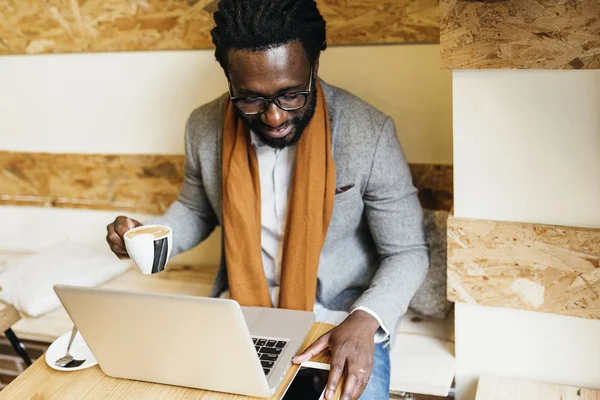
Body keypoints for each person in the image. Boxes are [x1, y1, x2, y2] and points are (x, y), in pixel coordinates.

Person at [106, 0, 428, 398]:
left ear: (314, 66)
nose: (274, 118)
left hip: (340, 320)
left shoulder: (369, 133)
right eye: (251, 99)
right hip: (242, 316)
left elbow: (408, 251)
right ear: (229, 80)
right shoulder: (203, 127)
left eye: (291, 94)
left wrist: (366, 317)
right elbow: (194, 208)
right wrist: (150, 237)